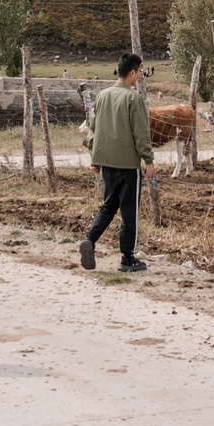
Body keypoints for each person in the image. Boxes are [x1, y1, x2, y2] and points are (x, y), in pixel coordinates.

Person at [78, 53, 155, 274]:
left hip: (107, 163)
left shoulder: (102, 96)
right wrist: (148, 160)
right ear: (132, 72)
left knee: (109, 206)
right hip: (129, 165)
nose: (139, 76)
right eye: (139, 72)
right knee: (130, 211)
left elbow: (95, 130)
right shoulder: (134, 99)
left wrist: (95, 157)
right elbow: (141, 133)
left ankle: (90, 240)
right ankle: (127, 258)